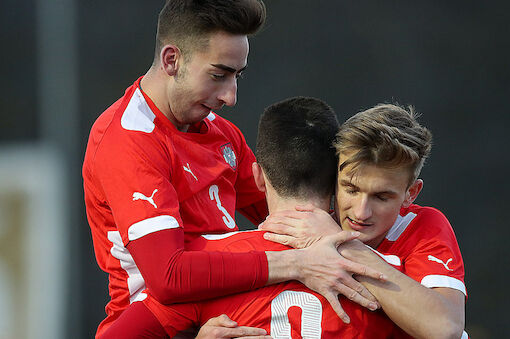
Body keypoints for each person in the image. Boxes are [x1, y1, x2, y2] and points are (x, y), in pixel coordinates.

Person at [82, 1, 382, 337]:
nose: (231, 96)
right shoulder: (128, 140)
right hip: (160, 326)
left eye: (237, 76)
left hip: (230, 309)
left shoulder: (223, 134)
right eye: (219, 74)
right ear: (171, 60)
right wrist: (298, 264)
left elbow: (291, 214)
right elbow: (168, 277)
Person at [101, 96, 400, 338]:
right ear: (338, 177)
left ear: (256, 176)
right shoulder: (391, 267)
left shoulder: (206, 269)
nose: (229, 94)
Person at [261, 103, 469, 338]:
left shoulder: (423, 225)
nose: (361, 213)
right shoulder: (303, 225)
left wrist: (344, 245)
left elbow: (445, 329)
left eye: (381, 197)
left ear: (411, 193)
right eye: (350, 189)